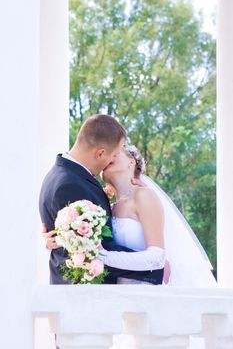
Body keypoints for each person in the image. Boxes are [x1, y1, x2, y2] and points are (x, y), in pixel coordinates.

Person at [39, 114, 165, 285]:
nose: (112, 159)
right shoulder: (70, 184)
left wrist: (155, 262)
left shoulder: (67, 177)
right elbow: (86, 251)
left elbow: (91, 246)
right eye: (114, 154)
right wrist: (154, 268)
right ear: (100, 153)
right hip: (85, 295)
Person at [101, 145, 217, 287]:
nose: (108, 156)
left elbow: (157, 258)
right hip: (119, 293)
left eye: (115, 153)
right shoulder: (110, 208)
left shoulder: (144, 195)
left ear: (131, 162)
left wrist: (102, 257)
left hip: (147, 292)